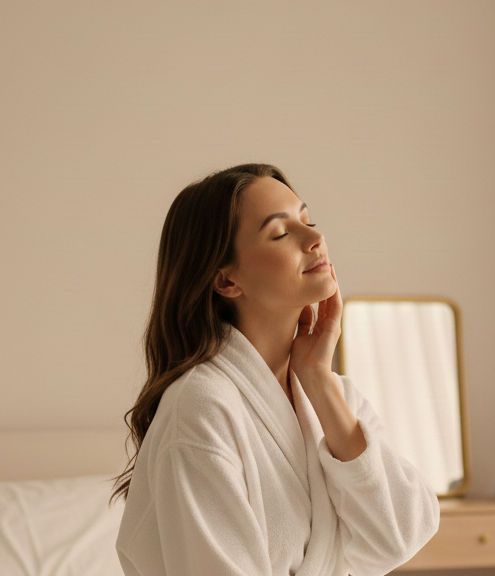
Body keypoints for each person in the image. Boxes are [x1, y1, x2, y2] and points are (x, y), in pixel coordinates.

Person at [112, 164, 440, 576]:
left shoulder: (334, 397)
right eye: (281, 233)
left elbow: (401, 536)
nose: (316, 239)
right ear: (226, 281)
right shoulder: (200, 410)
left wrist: (319, 381)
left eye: (308, 221)